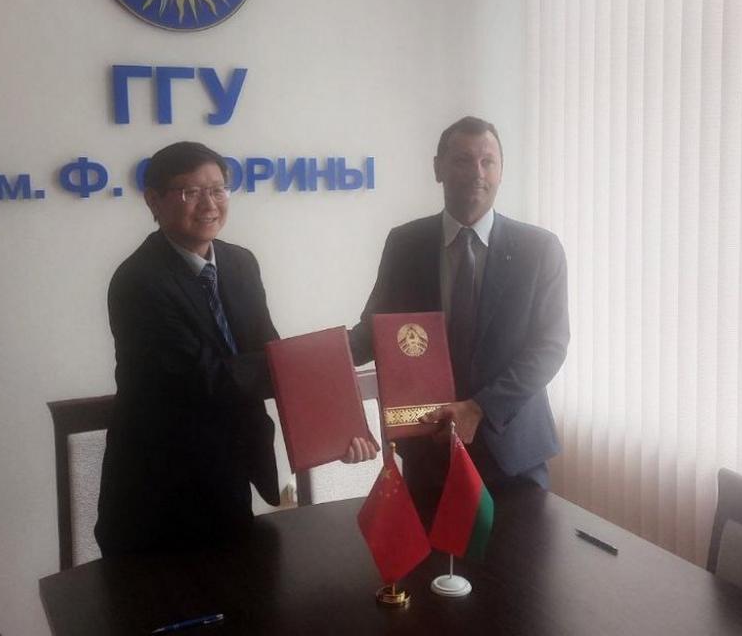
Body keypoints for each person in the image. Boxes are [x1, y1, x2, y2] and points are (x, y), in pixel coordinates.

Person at [96, 141, 374, 555]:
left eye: (218, 189)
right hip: (158, 492)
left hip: (230, 475)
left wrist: (336, 433)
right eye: (190, 192)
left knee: (243, 589)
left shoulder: (240, 263)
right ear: (153, 200)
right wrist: (329, 355)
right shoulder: (138, 282)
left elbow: (270, 353)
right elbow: (205, 379)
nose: (209, 204)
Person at [351, 117, 569, 517]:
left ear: (501, 170)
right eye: (462, 160)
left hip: (511, 454)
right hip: (428, 449)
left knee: (521, 559)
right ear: (438, 168)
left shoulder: (539, 250)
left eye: (488, 161)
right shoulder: (405, 244)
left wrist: (479, 408)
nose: (477, 173)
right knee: (430, 557)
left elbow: (550, 346)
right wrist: (316, 368)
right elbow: (374, 332)